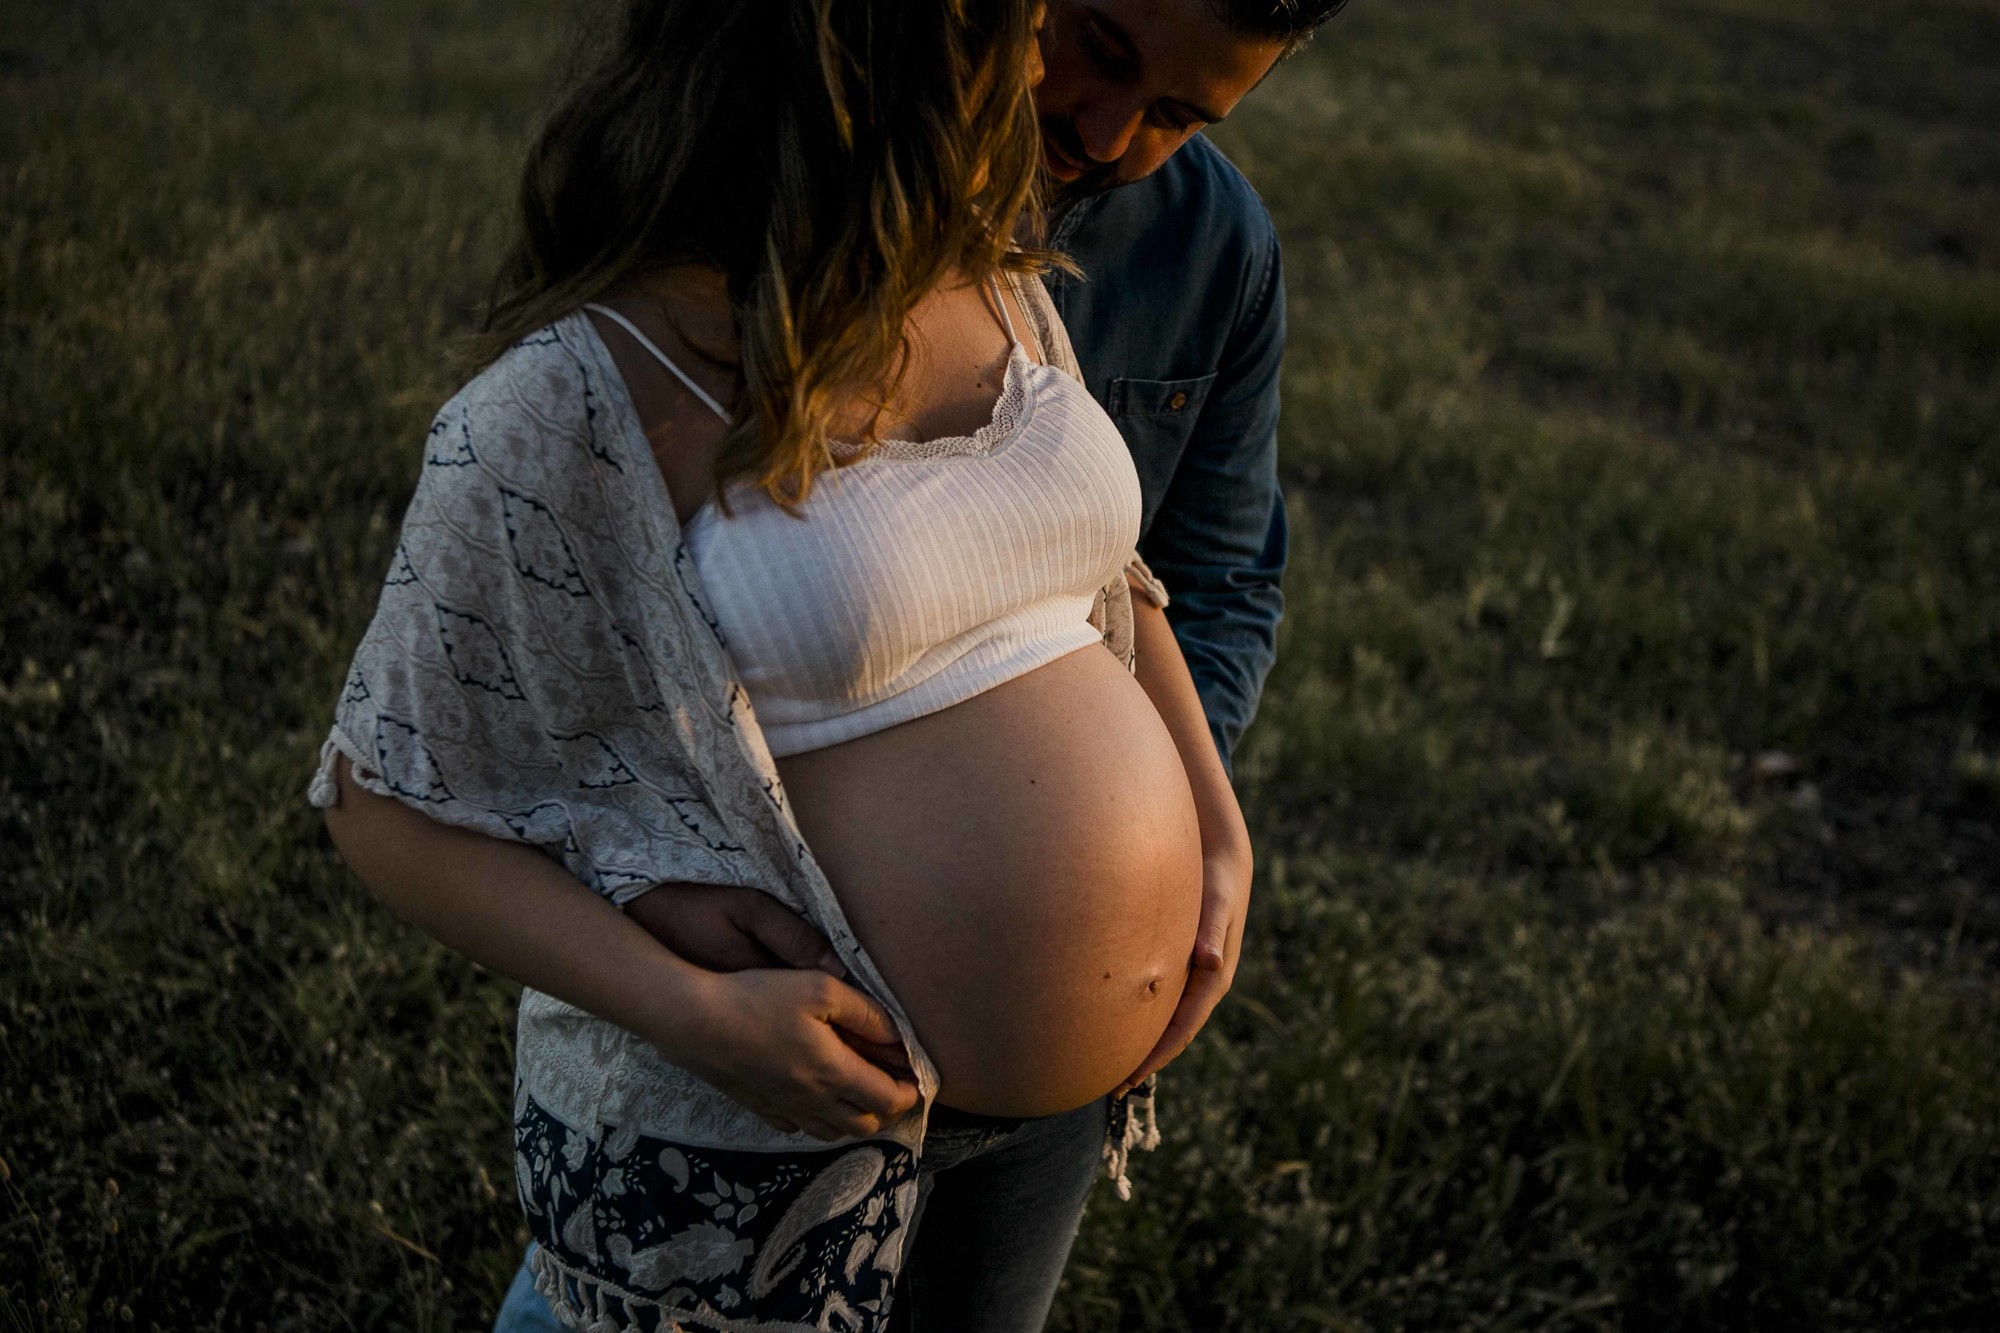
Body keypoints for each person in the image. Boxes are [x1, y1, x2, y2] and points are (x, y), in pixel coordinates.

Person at [308, 0, 1340, 1328]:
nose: (1052, 87)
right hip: (752, 1125)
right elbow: (380, 797)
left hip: (1037, 1129)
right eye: (1026, 36)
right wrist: (692, 1012)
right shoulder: (584, 391)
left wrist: (1210, 811)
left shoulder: (1003, 279)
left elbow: (1099, 574)